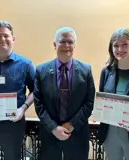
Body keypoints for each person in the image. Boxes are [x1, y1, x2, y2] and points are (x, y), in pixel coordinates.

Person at [34, 27, 95, 160]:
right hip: (49, 136)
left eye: (70, 42)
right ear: (54, 44)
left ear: (75, 45)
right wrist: (54, 128)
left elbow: (89, 102)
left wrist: (70, 125)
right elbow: (39, 104)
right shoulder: (40, 71)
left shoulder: (86, 71)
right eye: (62, 41)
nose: (67, 46)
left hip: (77, 135)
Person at [0, 20, 35, 160]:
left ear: (13, 38)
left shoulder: (25, 65)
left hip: (13, 127)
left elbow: (36, 91)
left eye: (6, 36)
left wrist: (22, 109)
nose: (2, 39)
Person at [98, 28, 129, 160]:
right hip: (110, 132)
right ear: (111, 48)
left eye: (124, 44)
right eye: (116, 45)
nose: (120, 49)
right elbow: (102, 99)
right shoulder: (106, 71)